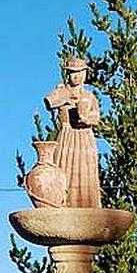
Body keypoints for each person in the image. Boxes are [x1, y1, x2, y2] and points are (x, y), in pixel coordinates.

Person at [44, 57, 101, 208]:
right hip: (67, 135)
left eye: (79, 72)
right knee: (64, 169)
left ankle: (89, 207)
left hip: (85, 138)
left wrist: (87, 119)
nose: (75, 76)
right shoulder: (61, 91)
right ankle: (62, 204)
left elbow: (96, 117)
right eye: (71, 72)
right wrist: (63, 96)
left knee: (87, 173)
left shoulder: (89, 96)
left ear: (84, 73)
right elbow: (49, 102)